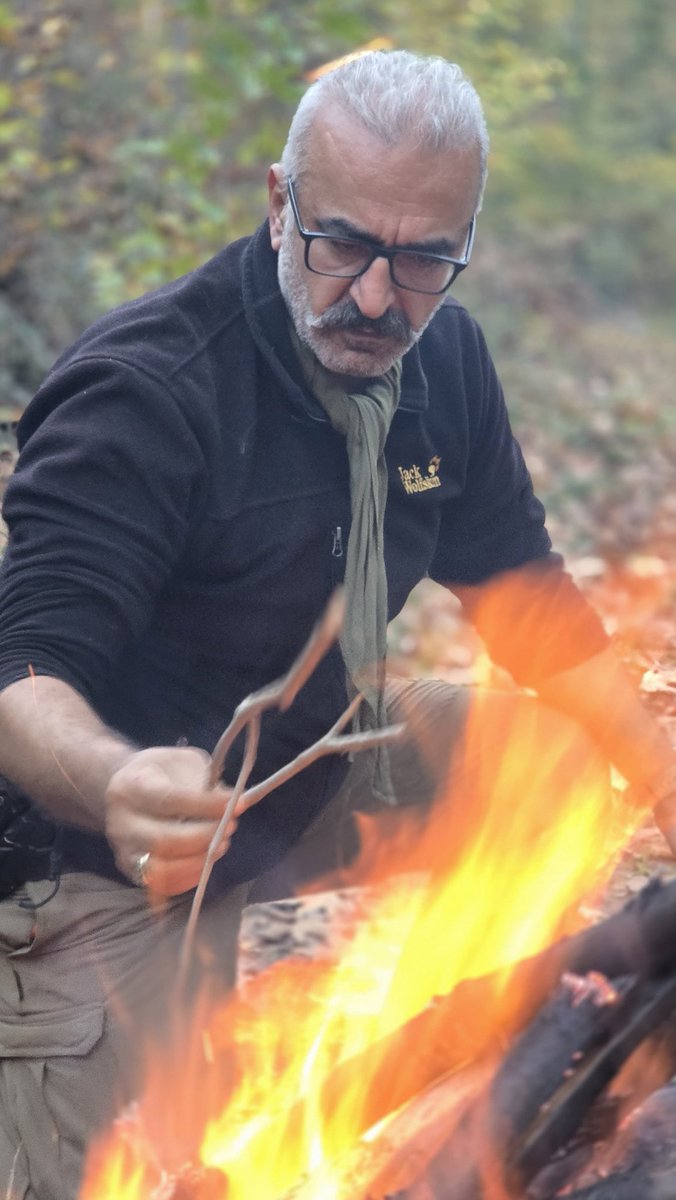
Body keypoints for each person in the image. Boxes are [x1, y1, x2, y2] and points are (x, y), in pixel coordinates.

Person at [0, 49, 675, 1200]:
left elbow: (529, 599)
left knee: (559, 757)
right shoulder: (152, 394)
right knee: (146, 1172)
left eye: (423, 260)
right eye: (345, 243)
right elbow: (23, 680)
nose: (375, 296)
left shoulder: (441, 361)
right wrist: (116, 784)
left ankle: (465, 1035)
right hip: (105, 853)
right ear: (279, 204)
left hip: (307, 768)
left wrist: (661, 777)